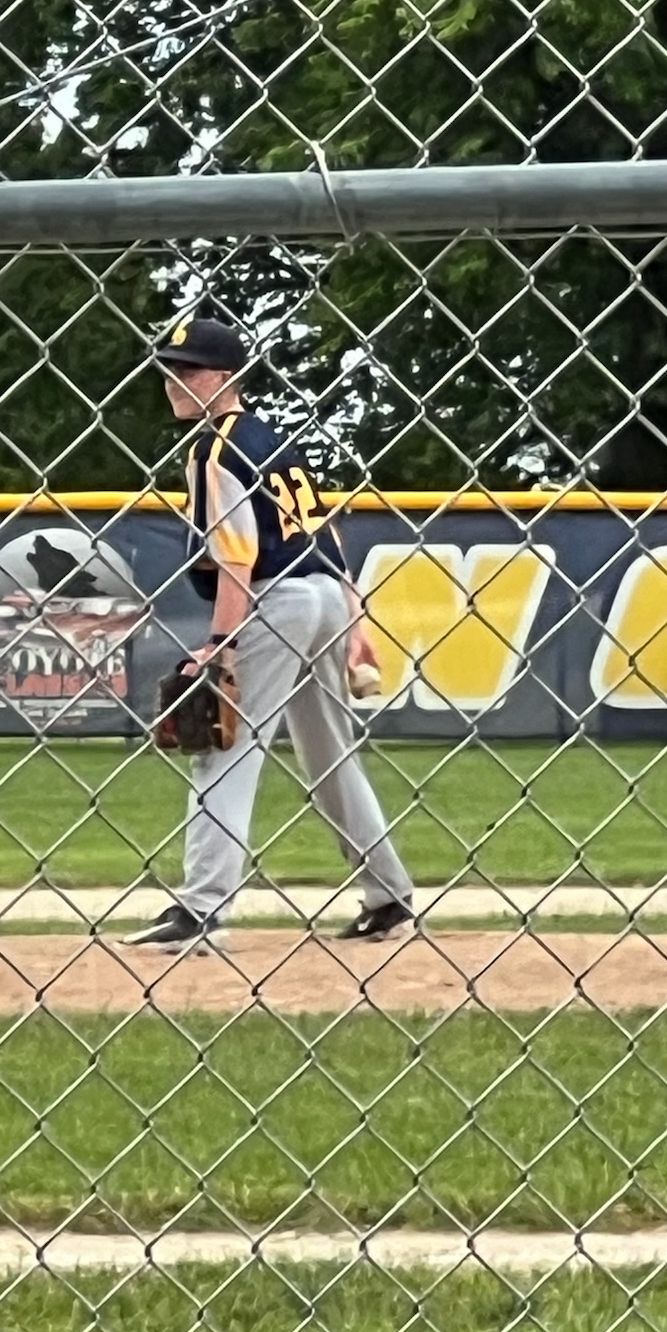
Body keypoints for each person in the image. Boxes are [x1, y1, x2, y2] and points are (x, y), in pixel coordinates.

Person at [124, 312, 413, 951]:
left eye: (190, 370)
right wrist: (353, 619)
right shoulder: (272, 440)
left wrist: (219, 645)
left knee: (224, 748)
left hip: (274, 600)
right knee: (330, 754)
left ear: (225, 377)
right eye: (170, 370)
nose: (175, 381)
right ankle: (389, 896)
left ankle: (201, 909)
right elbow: (324, 537)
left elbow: (237, 556)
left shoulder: (212, 448)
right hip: (322, 596)